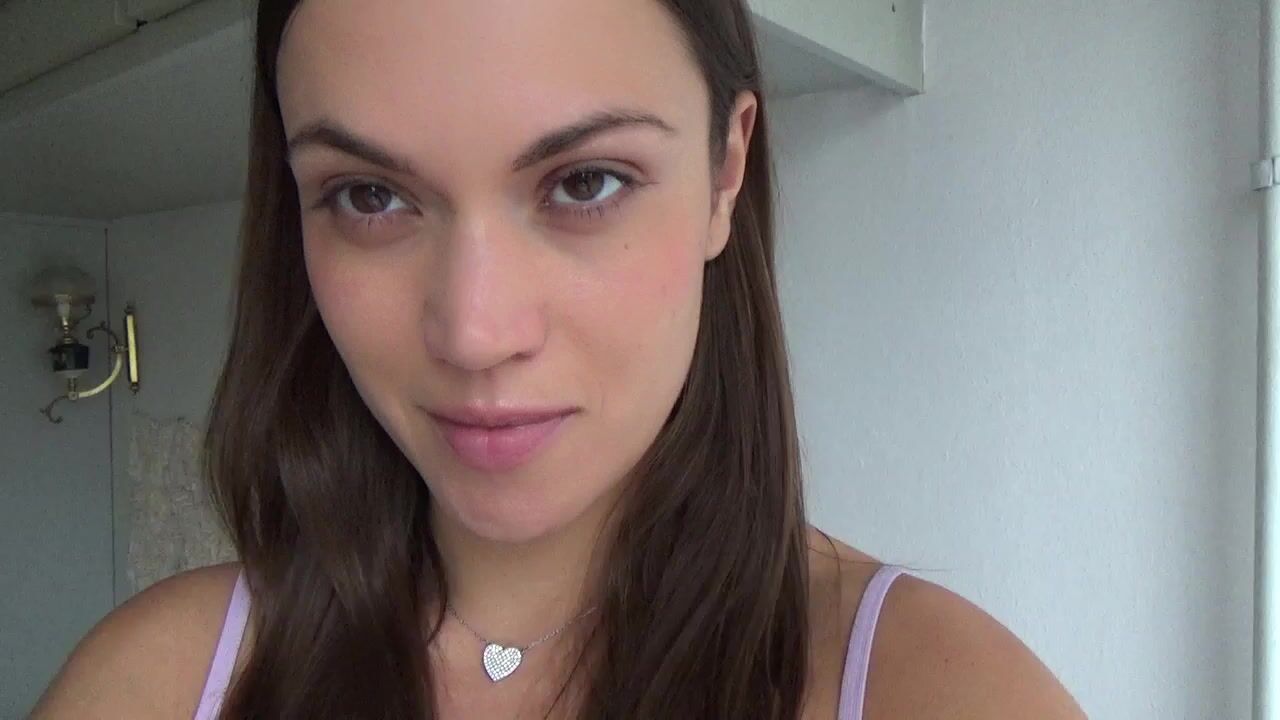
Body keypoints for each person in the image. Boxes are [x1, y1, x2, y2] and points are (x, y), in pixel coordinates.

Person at [32, 1, 1086, 718]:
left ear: (725, 170)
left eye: (585, 182)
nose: (474, 332)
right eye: (369, 195)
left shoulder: (935, 690)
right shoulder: (162, 681)